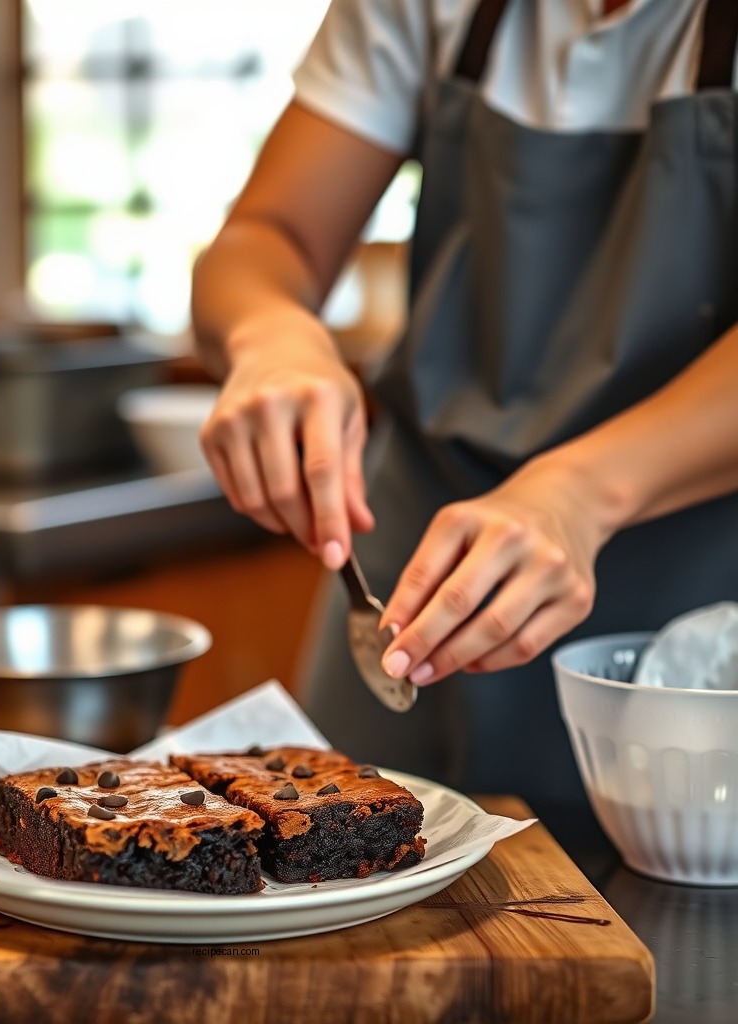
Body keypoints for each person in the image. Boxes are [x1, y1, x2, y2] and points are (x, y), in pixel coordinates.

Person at [190, 0, 738, 812]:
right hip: (409, 561)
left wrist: (579, 492)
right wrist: (273, 337)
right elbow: (264, 236)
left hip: (689, 623)